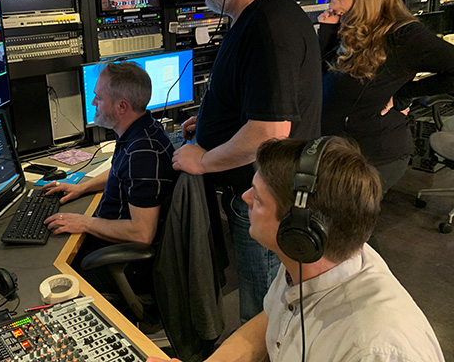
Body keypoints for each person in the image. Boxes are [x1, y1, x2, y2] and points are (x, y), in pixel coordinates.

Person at [149, 137, 445, 362]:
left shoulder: (374, 349)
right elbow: (268, 324)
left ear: (300, 231)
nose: (246, 197)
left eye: (260, 198)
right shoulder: (308, 260)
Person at [171, 0, 322, 324]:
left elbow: (269, 132)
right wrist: (205, 122)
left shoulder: (270, 28)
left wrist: (202, 159)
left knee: (264, 312)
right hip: (254, 193)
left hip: (266, 199)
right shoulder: (256, 16)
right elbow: (252, 102)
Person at [318, 0, 454, 193]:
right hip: (338, 149)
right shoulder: (353, 26)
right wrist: (328, 32)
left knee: (342, 227)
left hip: (373, 156)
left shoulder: (406, 36)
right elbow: (324, 79)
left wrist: (405, 94)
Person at [43, 62, 176, 288]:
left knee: (43, 271)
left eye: (99, 98)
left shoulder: (143, 154)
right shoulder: (141, 131)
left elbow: (142, 233)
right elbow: (120, 172)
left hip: (121, 263)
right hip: (107, 242)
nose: (93, 103)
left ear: (121, 106)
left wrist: (85, 223)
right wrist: (82, 188)